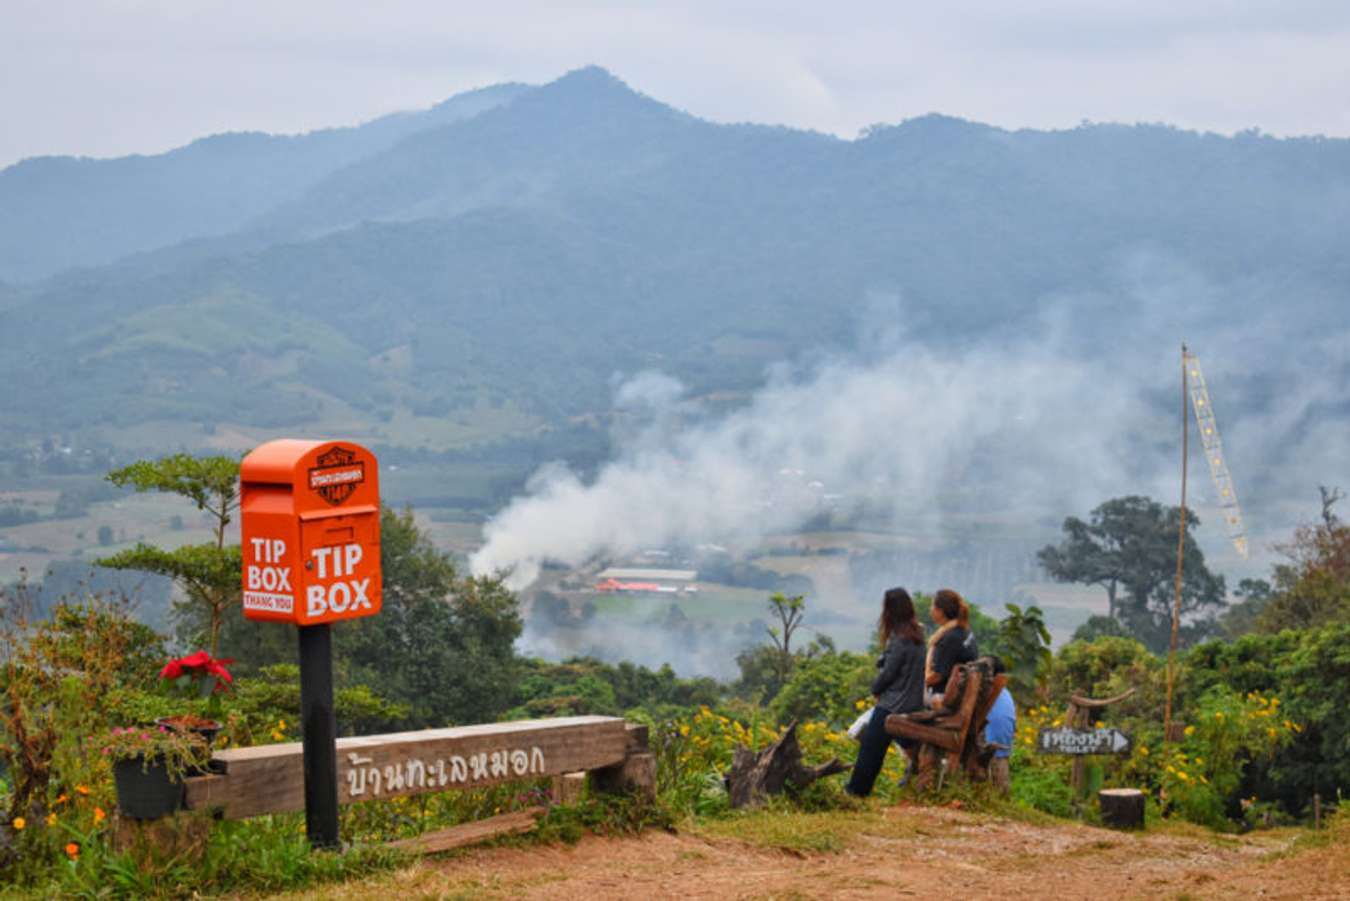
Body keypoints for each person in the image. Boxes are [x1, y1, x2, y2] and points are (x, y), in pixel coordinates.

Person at [846, 587, 925, 797]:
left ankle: (856, 791)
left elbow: (889, 674)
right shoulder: (918, 634)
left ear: (889, 611)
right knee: (898, 741)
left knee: (871, 747)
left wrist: (875, 689)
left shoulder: (899, 639)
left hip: (894, 703)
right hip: (914, 702)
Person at [924, 588, 978, 708]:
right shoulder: (965, 630)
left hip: (945, 698)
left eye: (932, 606)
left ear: (940, 611)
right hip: (961, 693)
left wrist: (931, 646)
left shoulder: (949, 638)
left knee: (900, 692)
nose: (930, 610)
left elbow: (932, 678)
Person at [984, 656, 1016, 794]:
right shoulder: (1005, 692)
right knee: (1001, 788)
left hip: (989, 746)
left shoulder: (987, 690)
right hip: (1004, 746)